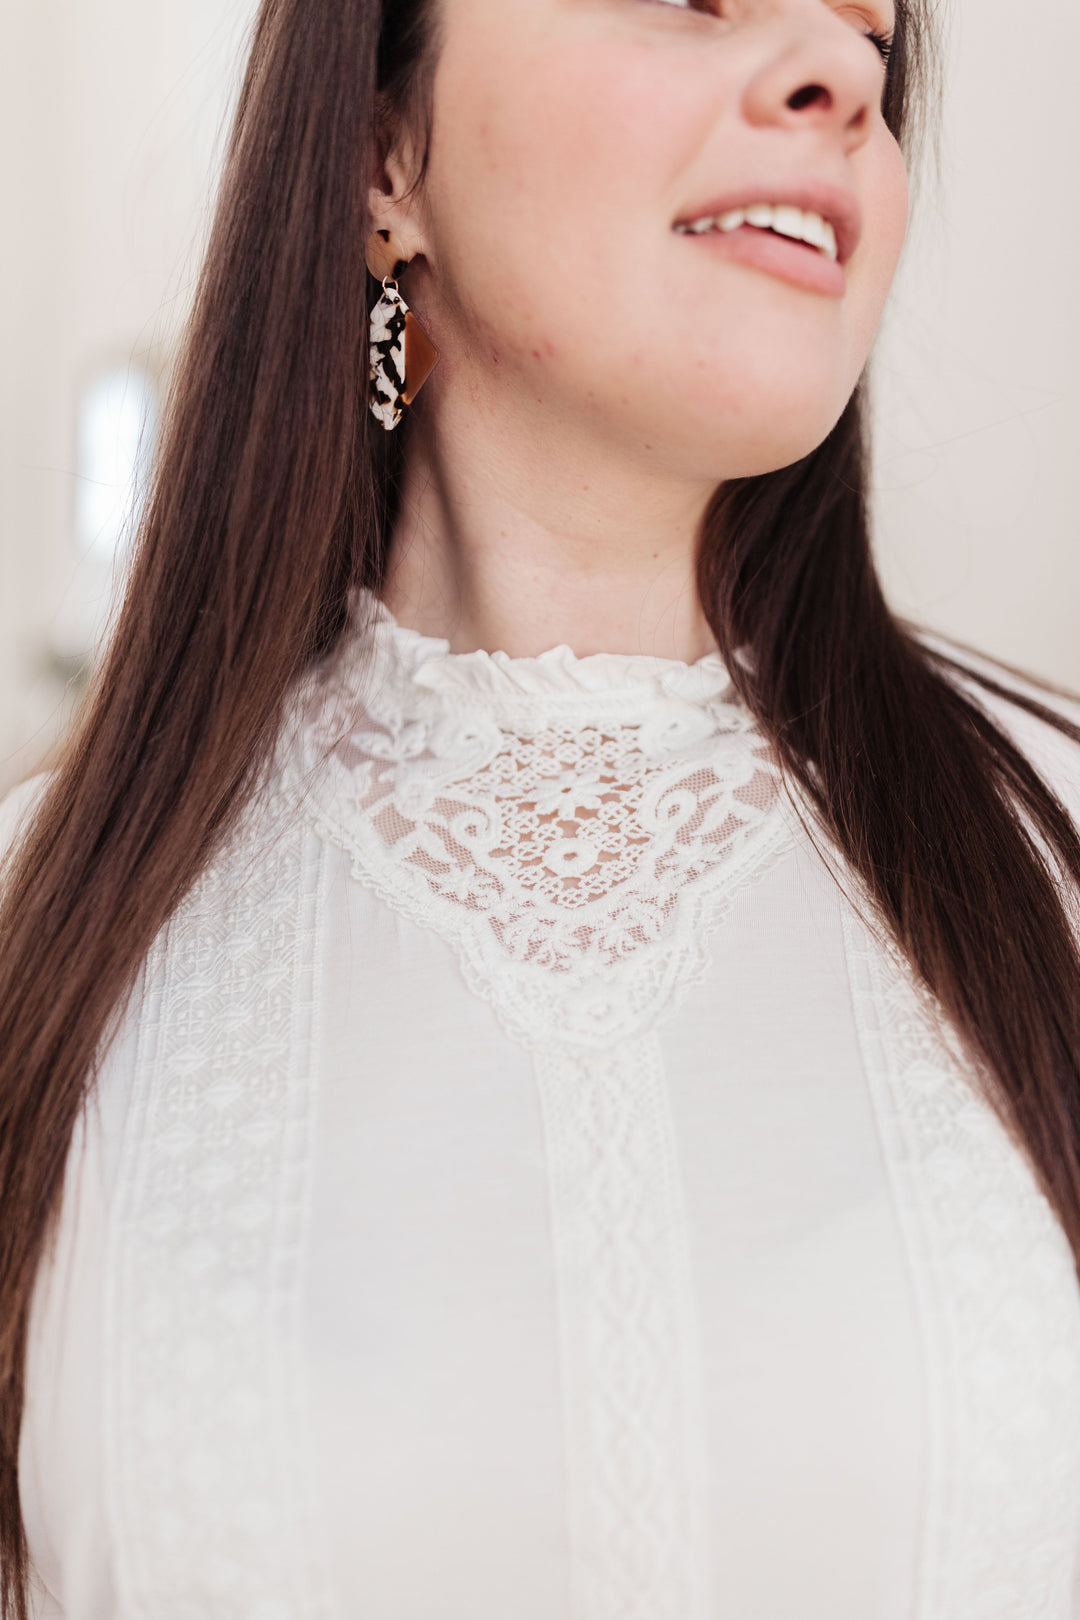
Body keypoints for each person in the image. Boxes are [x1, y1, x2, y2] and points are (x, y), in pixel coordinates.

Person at [2, 0, 1080, 1615]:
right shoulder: (37, 934)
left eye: (871, 32)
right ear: (383, 152)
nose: (844, 73)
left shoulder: (1057, 859)